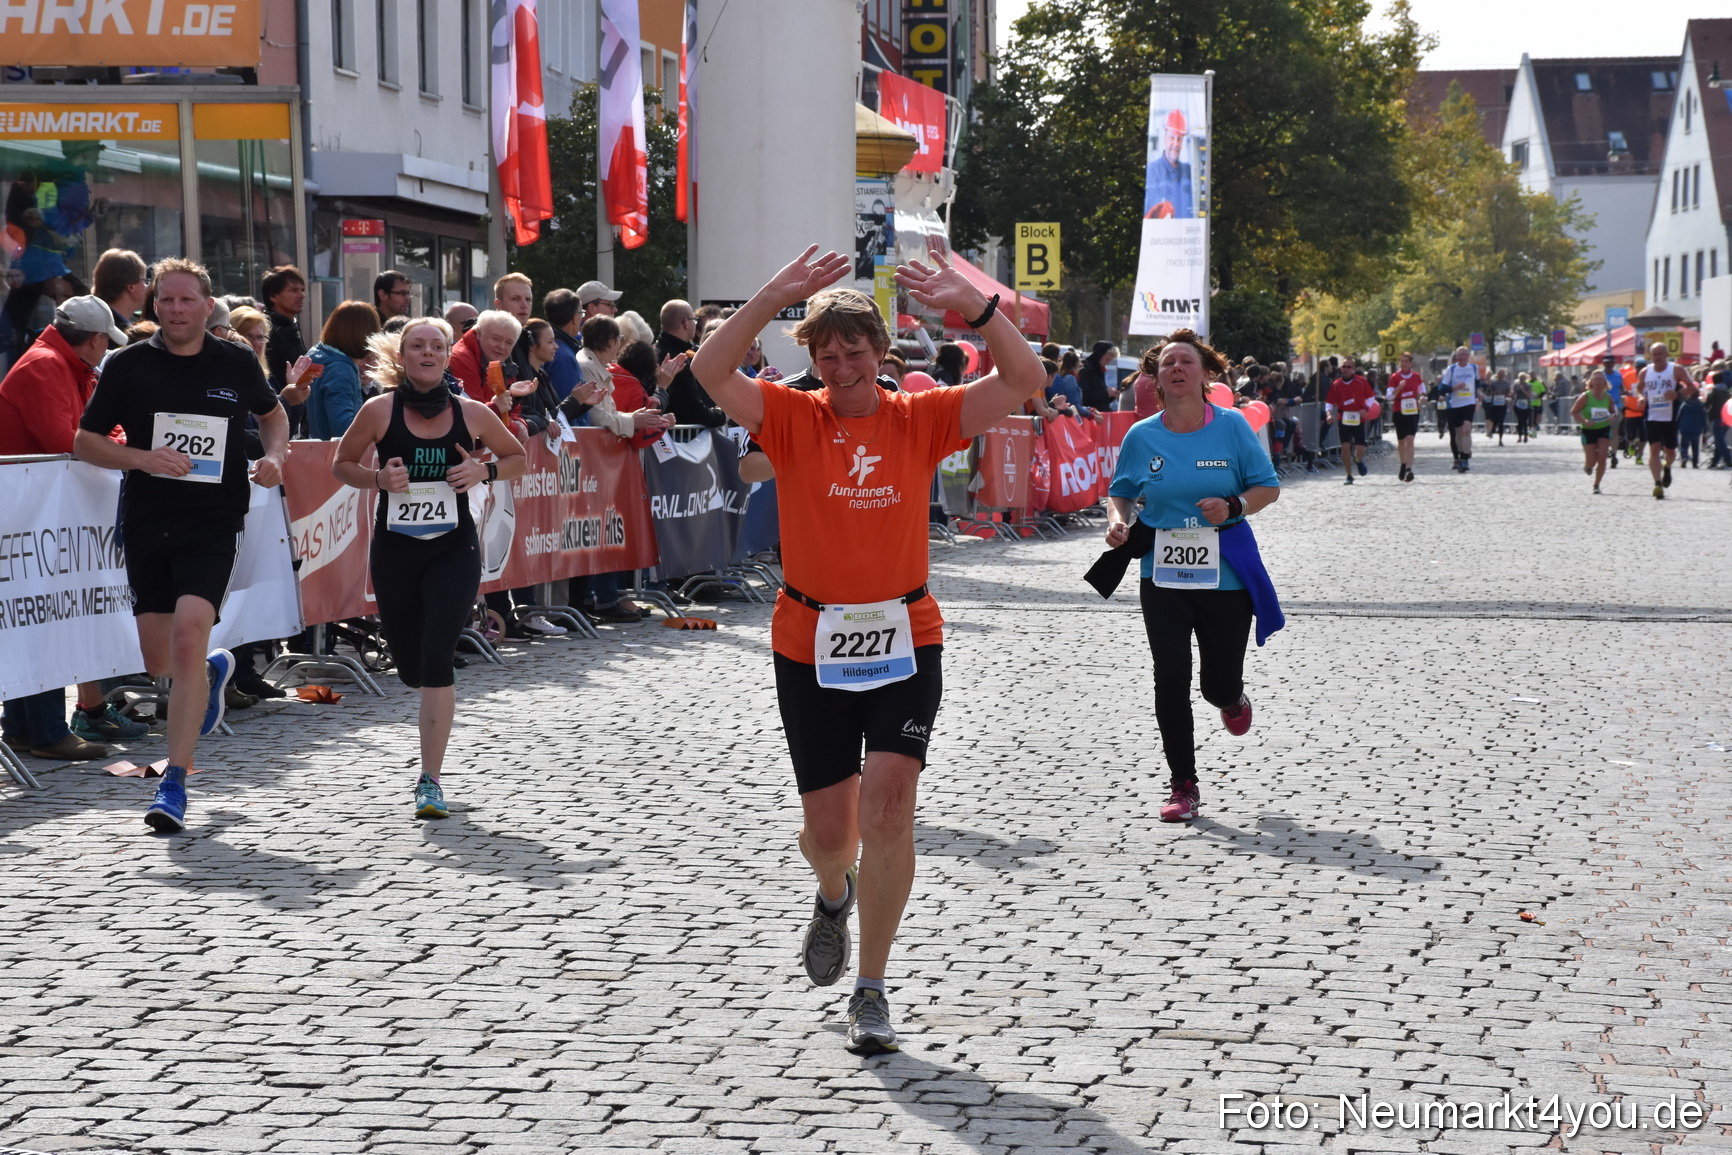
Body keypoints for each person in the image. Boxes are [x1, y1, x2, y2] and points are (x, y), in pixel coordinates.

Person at [689, 244, 1045, 1057]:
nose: (843, 367)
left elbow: (1023, 378)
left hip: (905, 636)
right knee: (830, 832)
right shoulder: (790, 416)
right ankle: (833, 892)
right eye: (827, 355)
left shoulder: (919, 418)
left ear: (882, 353)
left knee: (887, 807)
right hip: (809, 641)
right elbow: (709, 371)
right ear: (812, 361)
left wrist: (977, 307)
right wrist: (772, 294)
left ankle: (872, 988)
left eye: (855, 352)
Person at [73, 258, 289, 833]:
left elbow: (273, 417)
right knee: (159, 661)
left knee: (190, 636)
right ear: (154, 305)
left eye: (186, 300)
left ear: (206, 305)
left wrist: (275, 457)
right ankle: (210, 673)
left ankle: (174, 781)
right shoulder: (127, 364)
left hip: (214, 520)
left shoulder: (235, 361)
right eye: (165, 300)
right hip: (148, 518)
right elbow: (85, 442)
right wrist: (143, 458)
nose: (175, 310)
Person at [331, 318, 527, 819]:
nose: (427, 353)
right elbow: (341, 464)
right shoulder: (380, 410)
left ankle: (430, 780)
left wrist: (482, 470)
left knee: (438, 660)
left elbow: (518, 458)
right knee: (412, 667)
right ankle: (426, 707)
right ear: (402, 357)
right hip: (396, 552)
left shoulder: (471, 411)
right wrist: (379, 479)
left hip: (453, 551)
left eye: (436, 346)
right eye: (417, 346)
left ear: (446, 355)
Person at [1103, 330, 1279, 825]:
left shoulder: (1232, 426)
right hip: (1162, 574)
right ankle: (1184, 784)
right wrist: (1117, 521)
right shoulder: (1142, 436)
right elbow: (1121, 491)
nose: (1177, 368)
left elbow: (1267, 487)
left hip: (1225, 575)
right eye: (1168, 363)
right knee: (1170, 675)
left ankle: (1231, 698)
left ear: (1205, 374)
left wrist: (1234, 505)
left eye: (1186, 361)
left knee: (1216, 685)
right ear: (1156, 379)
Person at [0, 296, 148, 760]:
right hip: (33, 517)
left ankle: (26, 727)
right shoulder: (45, 366)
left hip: (42, 517)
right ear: (97, 339)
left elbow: (97, 432)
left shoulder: (63, 365)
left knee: (40, 615)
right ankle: (44, 731)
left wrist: (110, 444)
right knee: (44, 616)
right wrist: (116, 447)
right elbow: (66, 440)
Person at [306, 301, 382, 440]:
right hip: (335, 450)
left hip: (316, 443)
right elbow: (343, 427)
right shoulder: (340, 369)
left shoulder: (316, 355)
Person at [657, 299, 726, 428]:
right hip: (682, 437)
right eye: (694, 319)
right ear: (685, 323)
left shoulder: (657, 351)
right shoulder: (678, 360)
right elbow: (693, 410)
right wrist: (722, 415)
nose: (695, 323)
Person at [1639, 341, 1694, 499]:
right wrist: (1641, 397)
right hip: (1652, 415)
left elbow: (1692, 387)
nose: (1658, 357)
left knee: (1670, 451)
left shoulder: (1676, 369)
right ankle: (1657, 484)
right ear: (1651, 356)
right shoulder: (1645, 371)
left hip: (1670, 416)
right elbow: (1639, 388)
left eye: (1660, 354)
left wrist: (1678, 394)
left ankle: (1667, 467)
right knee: (1654, 449)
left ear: (1666, 354)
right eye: (1655, 354)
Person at [261, 265, 308, 436]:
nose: (301, 295)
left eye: (302, 290)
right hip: (274, 417)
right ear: (273, 296)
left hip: (297, 416)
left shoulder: (291, 325)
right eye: (293, 290)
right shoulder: (266, 330)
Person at [1324, 356, 1374, 484]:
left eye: (1349, 367)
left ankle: (1358, 460)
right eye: (1344, 366)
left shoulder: (1361, 381)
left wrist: (1366, 409)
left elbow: (1371, 397)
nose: (1346, 369)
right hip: (1344, 418)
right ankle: (1349, 475)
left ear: (1353, 368)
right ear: (1340, 368)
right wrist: (1329, 414)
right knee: (1345, 447)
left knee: (1360, 448)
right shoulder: (1336, 384)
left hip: (1358, 418)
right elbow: (1329, 402)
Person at [1143, 108, 1194, 218]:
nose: (1175, 144)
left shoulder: (1189, 171)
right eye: (1172, 138)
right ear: (1165, 138)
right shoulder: (1151, 170)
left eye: (1179, 139)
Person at [1571, 370, 1615, 494]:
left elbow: (1613, 412)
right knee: (1592, 461)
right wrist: (1584, 421)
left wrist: (1612, 416)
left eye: (1600, 379)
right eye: (1595, 379)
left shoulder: (1608, 397)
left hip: (1603, 429)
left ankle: (1596, 485)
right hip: (1588, 430)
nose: (1598, 382)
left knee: (1602, 456)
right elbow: (1574, 412)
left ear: (1604, 382)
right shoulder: (1585, 396)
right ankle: (1588, 466)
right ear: (1591, 382)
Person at [1438, 346, 1480, 472]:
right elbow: (1442, 387)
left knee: (1467, 429)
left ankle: (1465, 459)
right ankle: (1461, 455)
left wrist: (1479, 393)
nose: (1461, 357)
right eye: (1459, 355)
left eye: (1464, 354)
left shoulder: (1474, 368)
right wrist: (1454, 388)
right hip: (1455, 404)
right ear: (1456, 357)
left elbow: (1477, 383)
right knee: (1459, 433)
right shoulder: (1451, 369)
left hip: (1469, 402)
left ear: (1468, 356)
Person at [1386, 351, 1425, 482]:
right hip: (1399, 410)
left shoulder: (1416, 376)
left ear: (1410, 363)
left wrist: (1423, 396)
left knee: (1410, 439)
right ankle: (1403, 464)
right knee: (1401, 441)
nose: (1403, 363)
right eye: (1401, 361)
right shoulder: (1395, 377)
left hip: (1413, 410)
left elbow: (1422, 389)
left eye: (1406, 361)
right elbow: (1389, 396)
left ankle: (1409, 469)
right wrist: (1398, 388)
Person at [92, 248, 149, 333]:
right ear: (131, 287)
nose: (147, 287)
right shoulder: (112, 332)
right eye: (144, 280)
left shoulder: (94, 320)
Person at [542, 288, 584, 400]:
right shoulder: (563, 356)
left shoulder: (546, 347)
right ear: (575, 318)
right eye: (582, 313)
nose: (582, 318)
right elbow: (568, 403)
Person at [1077, 341, 1119, 410]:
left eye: (1110, 360)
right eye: (1107, 359)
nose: (1108, 363)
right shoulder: (1085, 371)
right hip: (1091, 414)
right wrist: (1106, 393)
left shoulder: (1099, 371)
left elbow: (1101, 401)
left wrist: (1112, 395)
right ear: (1099, 355)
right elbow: (1084, 398)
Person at [1707, 362, 1732, 469]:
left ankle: (1728, 460)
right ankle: (1715, 461)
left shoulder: (1713, 391)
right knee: (1719, 440)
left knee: (1719, 440)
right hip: (1726, 418)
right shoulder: (1727, 391)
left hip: (1717, 417)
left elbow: (1708, 405)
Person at [1678, 380, 1706, 469]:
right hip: (1697, 428)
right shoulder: (1701, 405)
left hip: (1685, 427)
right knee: (1695, 446)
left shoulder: (1685, 404)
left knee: (1684, 444)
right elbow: (1704, 417)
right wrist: (1705, 427)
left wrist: (1677, 425)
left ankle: (1684, 457)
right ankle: (1695, 462)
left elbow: (1679, 416)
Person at [1483, 369, 1511, 445]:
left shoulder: (1506, 383)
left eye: (1502, 374)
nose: (1501, 375)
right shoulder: (1493, 383)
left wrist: (1506, 394)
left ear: (1504, 375)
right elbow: (1488, 393)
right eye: (1499, 374)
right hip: (1494, 405)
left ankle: (1500, 440)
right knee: (1494, 420)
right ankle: (1492, 430)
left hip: (1502, 404)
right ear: (1497, 375)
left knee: (1501, 422)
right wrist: (1495, 392)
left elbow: (1509, 393)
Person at [1512, 371, 1532, 443]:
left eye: (1523, 378)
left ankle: (1525, 436)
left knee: (1525, 421)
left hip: (1526, 404)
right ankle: (1519, 436)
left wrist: (1523, 389)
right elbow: (1513, 393)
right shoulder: (1516, 385)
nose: (1522, 379)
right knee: (1519, 420)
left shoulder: (1528, 385)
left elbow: (1528, 395)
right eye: (1520, 378)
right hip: (1517, 404)